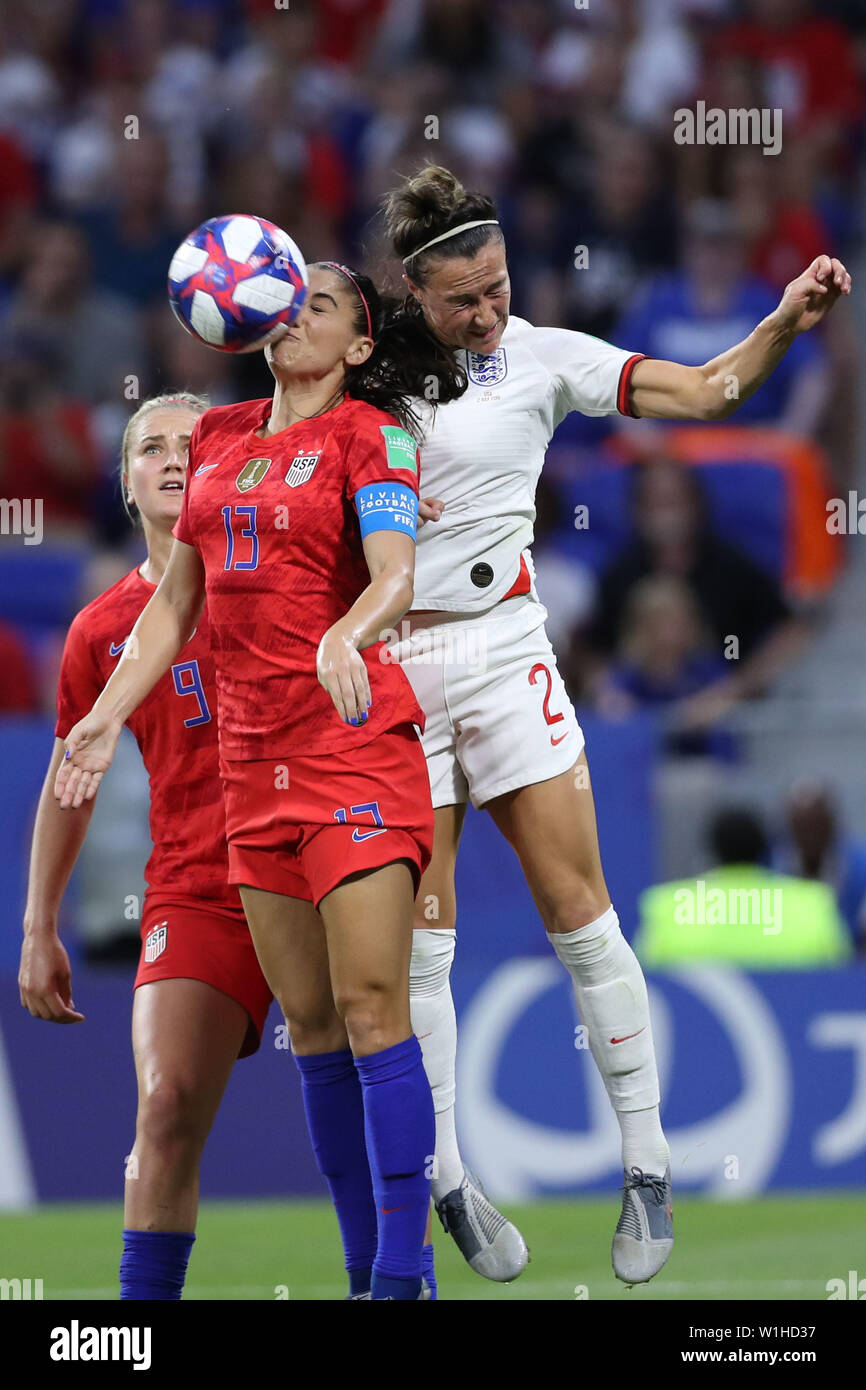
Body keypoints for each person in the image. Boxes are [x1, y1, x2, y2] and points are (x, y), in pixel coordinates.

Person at [382, 163, 850, 1284]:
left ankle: (645, 1166)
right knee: (422, 947)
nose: (487, 312)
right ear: (414, 297)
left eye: (496, 286)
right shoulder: (368, 378)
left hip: (501, 652)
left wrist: (782, 320)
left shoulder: (544, 356)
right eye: (463, 300)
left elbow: (703, 394)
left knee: (581, 917)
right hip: (397, 668)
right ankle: (446, 1177)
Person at [55, 263, 467, 1301]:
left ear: (359, 348)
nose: (294, 316)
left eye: (319, 306)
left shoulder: (372, 437)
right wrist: (105, 715)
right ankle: (357, 1267)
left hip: (352, 751)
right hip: (253, 772)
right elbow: (171, 607)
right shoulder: (224, 440)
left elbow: (395, 572)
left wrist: (347, 631)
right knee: (315, 1037)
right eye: (286, 301)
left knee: (374, 1008)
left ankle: (402, 1279)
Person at [19, 392, 274, 1300]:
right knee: (164, 1107)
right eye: (151, 449)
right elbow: (69, 780)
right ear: (127, 486)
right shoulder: (100, 630)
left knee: (367, 1092)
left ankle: (393, 1282)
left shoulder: (287, 568)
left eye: (192, 443)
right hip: (200, 890)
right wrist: (39, 922)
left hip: (318, 867)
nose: (173, 458)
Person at [634, 807, 852, 969]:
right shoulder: (813, 903)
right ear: (763, 848)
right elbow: (842, 979)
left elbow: (643, 981)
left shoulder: (666, 908)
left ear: (713, 851)